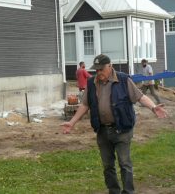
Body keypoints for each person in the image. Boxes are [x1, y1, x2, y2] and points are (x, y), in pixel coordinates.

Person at [61, 54, 167, 194]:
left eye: (101, 69)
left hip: (122, 129)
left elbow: (140, 97)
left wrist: (153, 107)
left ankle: (128, 191)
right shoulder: (92, 83)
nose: (98, 73)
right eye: (96, 70)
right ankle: (114, 191)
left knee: (124, 164)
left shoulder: (123, 80)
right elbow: (85, 105)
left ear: (110, 66)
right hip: (103, 131)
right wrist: (72, 122)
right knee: (107, 166)